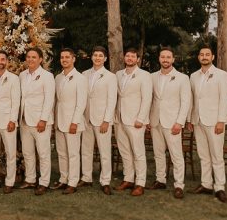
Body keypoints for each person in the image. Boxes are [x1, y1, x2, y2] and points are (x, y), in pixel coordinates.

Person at [188, 45, 227, 203]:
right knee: (203, 155)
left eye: (207, 54)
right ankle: (206, 184)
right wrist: (191, 120)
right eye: (201, 54)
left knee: (217, 156)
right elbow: (192, 99)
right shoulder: (193, 76)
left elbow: (224, 99)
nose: (204, 57)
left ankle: (220, 187)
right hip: (198, 120)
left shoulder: (221, 75)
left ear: (212, 57)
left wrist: (221, 120)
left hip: (214, 122)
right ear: (198, 57)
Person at [149, 47, 191, 199]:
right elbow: (150, 99)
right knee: (158, 153)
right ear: (159, 59)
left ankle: (179, 185)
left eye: (168, 57)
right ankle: (160, 180)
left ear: (173, 59)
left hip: (172, 122)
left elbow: (186, 102)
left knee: (176, 155)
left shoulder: (182, 78)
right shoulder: (152, 77)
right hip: (155, 121)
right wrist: (149, 119)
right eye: (162, 57)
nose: (165, 59)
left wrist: (179, 122)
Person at [80, 46, 117, 195]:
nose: (97, 58)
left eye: (100, 55)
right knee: (86, 149)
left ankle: (105, 180)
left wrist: (107, 120)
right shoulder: (84, 74)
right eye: (95, 55)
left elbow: (111, 100)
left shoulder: (110, 76)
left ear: (105, 59)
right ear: (91, 57)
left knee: (104, 151)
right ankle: (86, 177)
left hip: (102, 119)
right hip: (86, 118)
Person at [115, 48, 152, 196]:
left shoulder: (144, 75)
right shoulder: (118, 74)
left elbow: (147, 98)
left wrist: (141, 119)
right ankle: (128, 179)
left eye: (133, 56)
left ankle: (140, 183)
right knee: (125, 151)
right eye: (127, 56)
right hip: (120, 119)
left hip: (135, 120)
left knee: (138, 152)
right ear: (124, 58)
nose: (130, 58)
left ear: (137, 59)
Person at [18, 48, 55, 195]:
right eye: (28, 57)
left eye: (34, 57)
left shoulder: (47, 76)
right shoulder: (22, 75)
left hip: (40, 121)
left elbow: (49, 99)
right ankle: (30, 179)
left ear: (40, 59)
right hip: (24, 120)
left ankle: (44, 182)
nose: (31, 59)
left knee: (43, 153)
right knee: (27, 152)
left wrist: (44, 119)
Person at [51, 48, 87, 194]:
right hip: (60, 120)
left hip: (73, 122)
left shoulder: (80, 78)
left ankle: (73, 182)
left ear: (73, 59)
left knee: (73, 153)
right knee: (61, 152)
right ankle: (63, 179)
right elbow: (56, 101)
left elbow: (81, 102)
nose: (64, 59)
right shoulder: (58, 77)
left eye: (67, 57)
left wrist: (75, 122)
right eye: (62, 57)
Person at [0, 50, 21, 193]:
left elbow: (16, 101)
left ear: (7, 61)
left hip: (8, 120)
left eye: (3, 59)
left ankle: (10, 182)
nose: (0, 62)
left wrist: (13, 120)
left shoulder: (13, 78)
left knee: (10, 152)